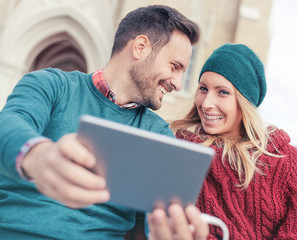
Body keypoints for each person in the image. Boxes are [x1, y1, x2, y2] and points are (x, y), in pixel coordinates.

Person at [0, 5, 209, 240]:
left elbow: (161, 216)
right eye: (175, 66)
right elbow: (8, 124)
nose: (179, 84)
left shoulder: (158, 134)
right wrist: (38, 156)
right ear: (140, 48)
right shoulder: (50, 84)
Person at [170, 43, 297, 239]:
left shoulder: (286, 161)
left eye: (222, 92)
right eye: (203, 89)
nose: (206, 103)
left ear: (245, 102)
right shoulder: (181, 153)